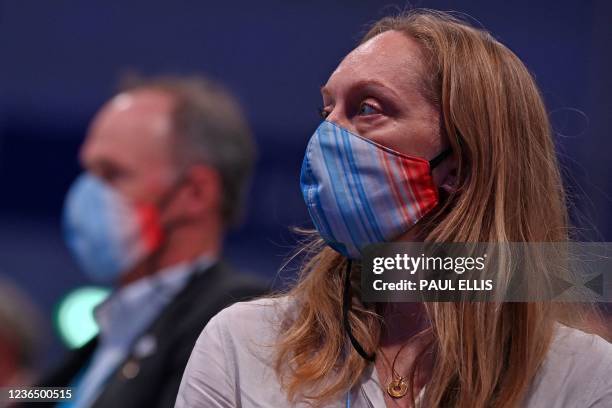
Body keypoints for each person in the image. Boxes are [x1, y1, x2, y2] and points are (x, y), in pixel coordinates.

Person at [175, 10, 612, 408]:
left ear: (460, 164)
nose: (328, 135)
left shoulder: (585, 375)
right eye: (327, 109)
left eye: (367, 109)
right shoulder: (244, 344)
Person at [37, 75, 268, 408]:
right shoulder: (110, 334)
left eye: (112, 173)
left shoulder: (234, 318)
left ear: (195, 193)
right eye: (89, 172)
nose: (86, 194)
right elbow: (48, 394)